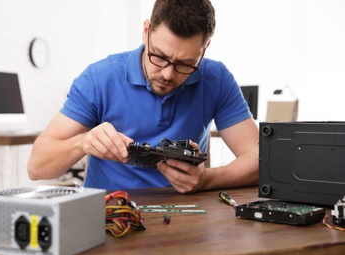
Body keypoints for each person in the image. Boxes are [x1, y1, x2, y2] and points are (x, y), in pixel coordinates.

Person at [27, 0, 259, 193]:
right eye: (159, 56)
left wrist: (207, 179)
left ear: (205, 48)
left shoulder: (217, 79)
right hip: (112, 215)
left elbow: (262, 162)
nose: (168, 74)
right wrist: (82, 143)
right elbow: (37, 167)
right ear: (146, 30)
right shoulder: (99, 78)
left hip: (188, 218)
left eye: (185, 64)